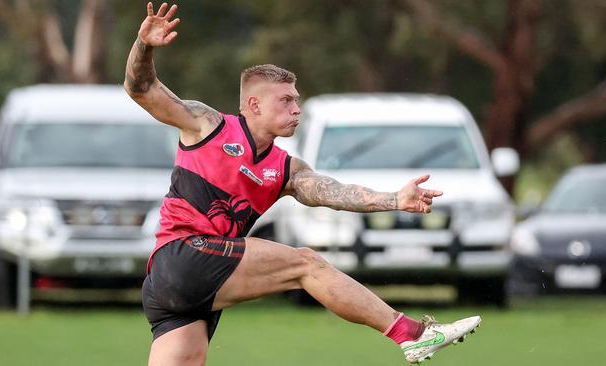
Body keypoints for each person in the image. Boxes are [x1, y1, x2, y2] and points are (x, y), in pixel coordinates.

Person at [124, 3, 481, 365]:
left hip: (176, 288)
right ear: (254, 105)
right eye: (286, 100)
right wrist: (144, 44)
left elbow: (335, 193)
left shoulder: (287, 169)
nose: (297, 108)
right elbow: (141, 88)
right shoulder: (208, 125)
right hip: (181, 258)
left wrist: (394, 198)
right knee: (305, 263)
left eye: (297, 100)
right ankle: (411, 334)